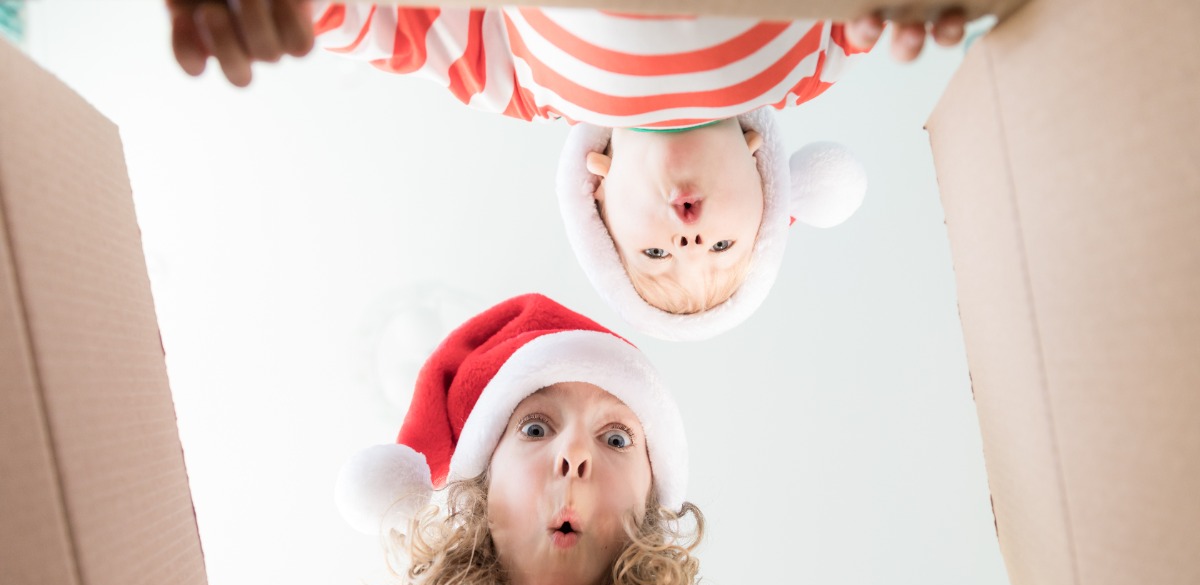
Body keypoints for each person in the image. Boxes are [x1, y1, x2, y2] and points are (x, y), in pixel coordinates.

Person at [165, 2, 965, 339]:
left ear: (598, 183)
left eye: (652, 255)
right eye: (725, 249)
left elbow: (400, 25)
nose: (689, 242)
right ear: (766, 176)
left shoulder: (528, 84)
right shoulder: (806, 65)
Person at [308, 293, 721, 585]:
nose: (574, 455)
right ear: (481, 489)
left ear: (652, 507)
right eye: (537, 429)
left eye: (616, 439)